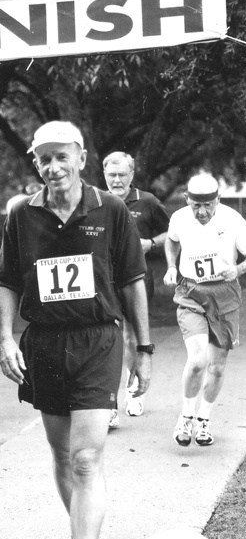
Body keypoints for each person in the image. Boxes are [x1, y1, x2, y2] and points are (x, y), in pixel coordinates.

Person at [0, 121, 152, 539]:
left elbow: (133, 280)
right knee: (63, 455)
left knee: (86, 459)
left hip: (97, 340)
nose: (53, 167)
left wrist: (144, 347)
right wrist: (4, 338)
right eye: (44, 159)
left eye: (62, 156)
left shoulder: (110, 210)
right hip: (44, 343)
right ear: (35, 163)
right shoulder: (21, 213)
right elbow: (6, 281)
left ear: (82, 158)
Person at [164, 173, 246, 448]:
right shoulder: (179, 218)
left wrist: (238, 269)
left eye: (208, 205)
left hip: (224, 294)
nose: (201, 212)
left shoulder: (233, 220)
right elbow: (172, 240)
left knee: (217, 367)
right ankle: (186, 417)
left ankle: (204, 420)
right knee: (198, 360)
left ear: (218, 200)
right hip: (191, 293)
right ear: (186, 199)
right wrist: (171, 266)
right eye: (195, 205)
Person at [103, 151, 170, 425]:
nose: (117, 180)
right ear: (104, 175)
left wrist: (150, 244)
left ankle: (134, 393)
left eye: (122, 175)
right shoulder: (96, 201)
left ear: (132, 175)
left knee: (131, 339)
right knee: (106, 340)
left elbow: (172, 233)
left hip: (136, 280)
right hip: (104, 280)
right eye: (112, 175)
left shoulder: (148, 201)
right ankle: (108, 405)